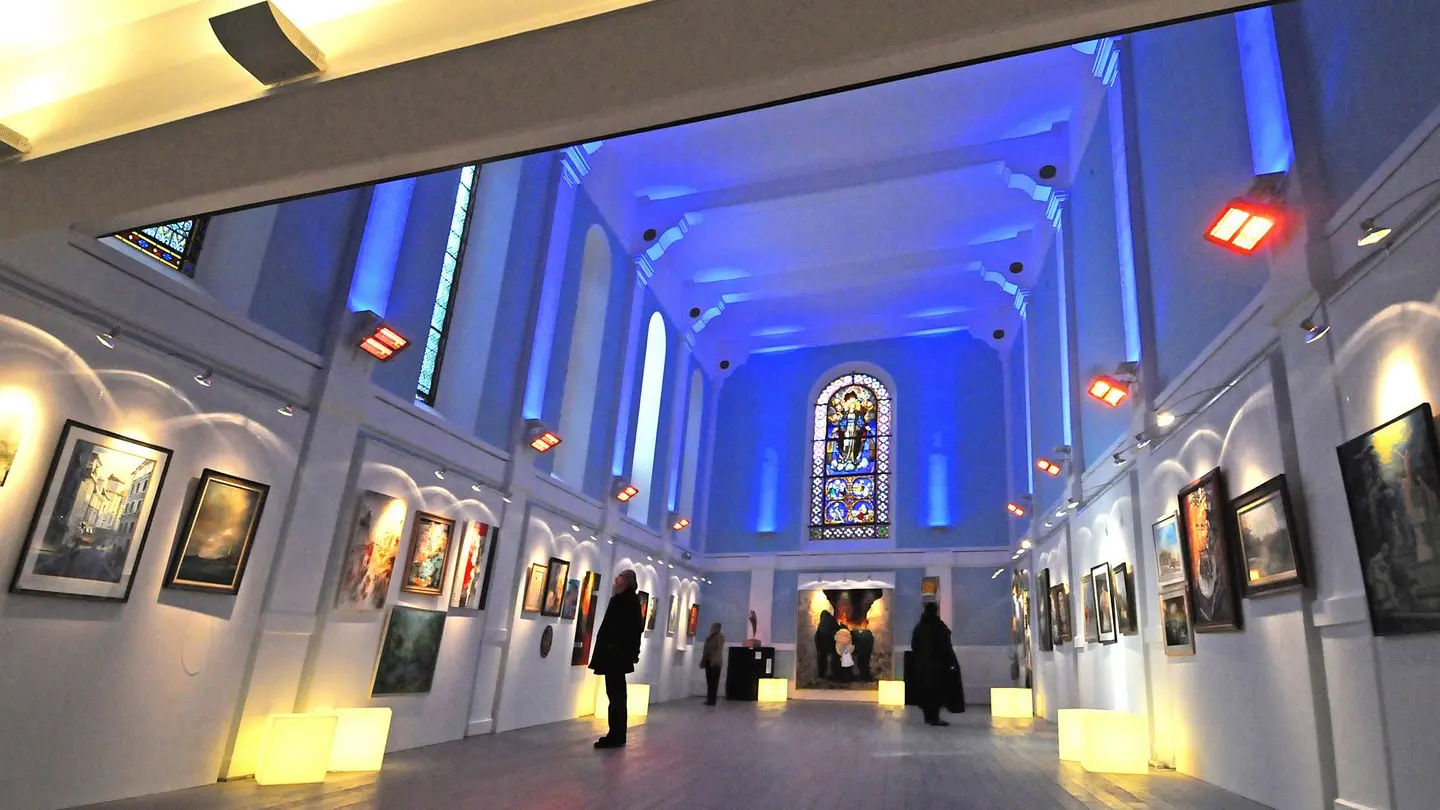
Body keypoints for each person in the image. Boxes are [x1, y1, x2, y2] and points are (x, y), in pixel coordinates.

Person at [589, 569, 643, 748]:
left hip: (615, 655)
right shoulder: (626, 600)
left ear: (626, 581)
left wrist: (626, 650)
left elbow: (633, 629)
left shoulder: (626, 600)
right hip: (615, 654)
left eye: (619, 577)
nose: (615, 579)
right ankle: (617, 734)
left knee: (616, 695)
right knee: (616, 695)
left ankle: (616, 735)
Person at [911, 601, 960, 726]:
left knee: (926, 691)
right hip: (937, 666)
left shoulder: (919, 627)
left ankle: (928, 717)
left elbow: (914, 646)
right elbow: (945, 646)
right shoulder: (938, 626)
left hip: (923, 665)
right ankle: (934, 717)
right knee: (936, 691)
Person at [700, 622, 725, 704]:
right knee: (709, 681)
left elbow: (719, 649)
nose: (711, 628)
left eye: (713, 627)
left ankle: (712, 700)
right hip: (708, 660)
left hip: (715, 662)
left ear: (717, 628)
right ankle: (709, 699)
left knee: (714, 682)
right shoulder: (710, 637)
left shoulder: (720, 637)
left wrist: (714, 661)